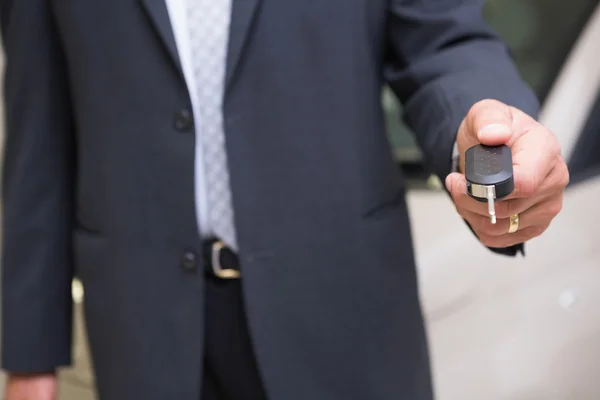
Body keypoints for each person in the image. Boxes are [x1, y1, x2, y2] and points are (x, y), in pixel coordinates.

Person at [0, 0, 569, 399]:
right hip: (144, 328)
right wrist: (29, 354)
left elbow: (443, 43)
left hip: (338, 310)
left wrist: (493, 139)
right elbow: (38, 129)